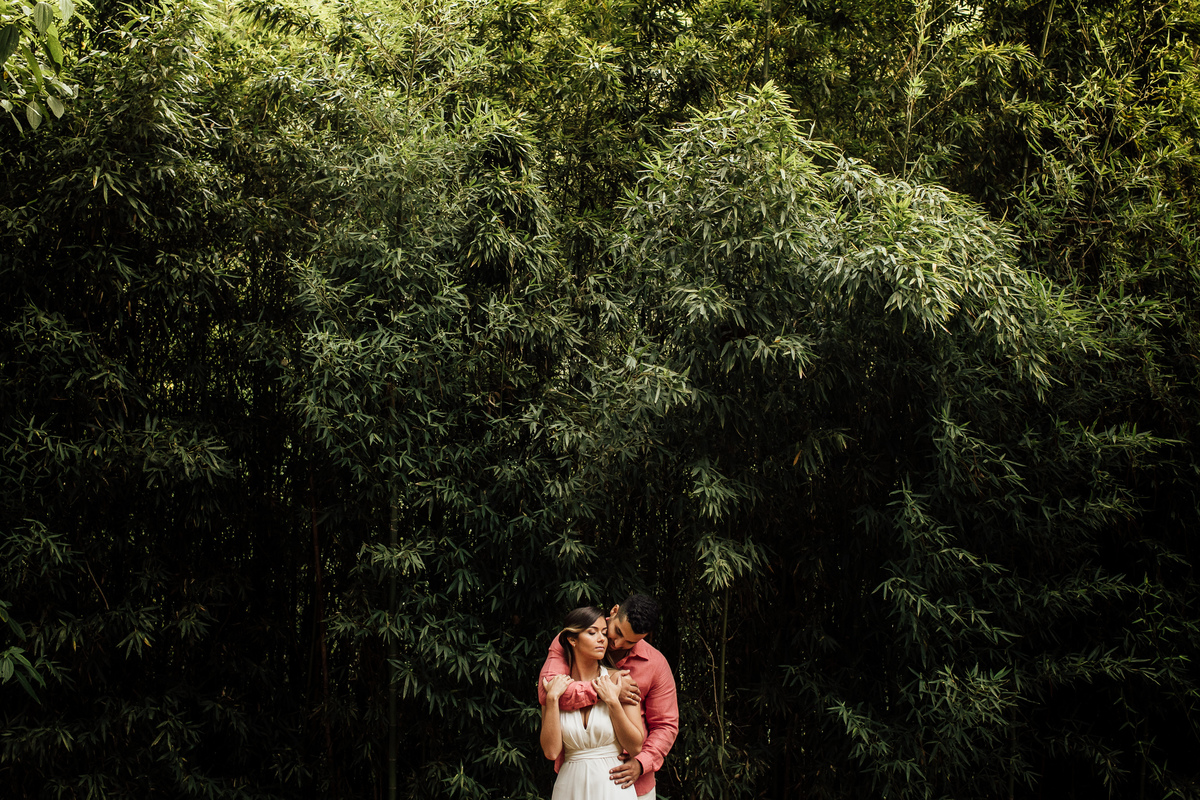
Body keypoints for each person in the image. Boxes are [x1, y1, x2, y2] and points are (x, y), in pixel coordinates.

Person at [538, 594, 679, 800]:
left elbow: (666, 725)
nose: (616, 643)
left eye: (629, 641)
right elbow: (548, 691)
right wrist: (605, 692)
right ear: (614, 611)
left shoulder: (655, 664)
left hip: (631, 782)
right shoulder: (572, 637)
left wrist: (642, 763)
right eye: (617, 632)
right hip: (574, 779)